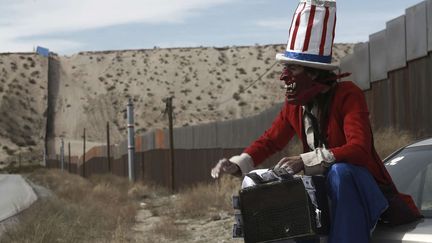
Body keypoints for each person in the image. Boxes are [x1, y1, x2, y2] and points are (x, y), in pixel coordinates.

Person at [210, 0, 421, 242]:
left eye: (293, 69)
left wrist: (304, 160)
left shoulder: (347, 95)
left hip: (359, 189)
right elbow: (270, 141)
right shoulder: (295, 106)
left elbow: (360, 148)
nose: (285, 77)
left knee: (340, 172)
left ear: (313, 72)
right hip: (327, 193)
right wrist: (237, 164)